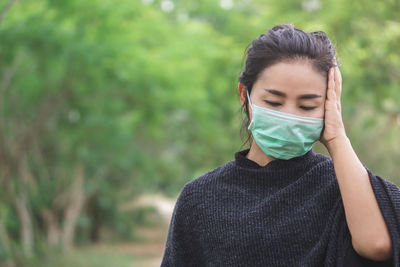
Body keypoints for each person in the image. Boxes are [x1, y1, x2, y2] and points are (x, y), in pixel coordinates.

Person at [160, 24, 399, 266]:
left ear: (328, 106)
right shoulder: (200, 197)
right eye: (274, 102)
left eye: (307, 106)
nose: (289, 116)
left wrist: (337, 138)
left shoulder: (344, 188)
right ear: (245, 96)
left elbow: (377, 245)